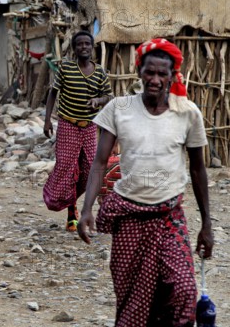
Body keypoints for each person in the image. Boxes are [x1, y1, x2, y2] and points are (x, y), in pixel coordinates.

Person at [78, 38, 214, 326]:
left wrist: (207, 225)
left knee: (183, 292)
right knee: (134, 303)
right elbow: (100, 163)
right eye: (149, 72)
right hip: (129, 217)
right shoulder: (119, 108)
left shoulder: (187, 113)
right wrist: (87, 208)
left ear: (172, 75)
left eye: (161, 74)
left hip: (169, 216)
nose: (155, 79)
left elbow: (199, 171)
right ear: (138, 70)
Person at [42, 31, 112, 231]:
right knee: (67, 167)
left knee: (90, 169)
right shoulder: (66, 68)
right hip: (67, 124)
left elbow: (108, 95)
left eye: (87, 44)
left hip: (89, 126)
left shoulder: (99, 72)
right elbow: (53, 93)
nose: (83, 47)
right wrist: (47, 121)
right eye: (79, 44)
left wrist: (98, 100)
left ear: (92, 47)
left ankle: (83, 206)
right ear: (74, 48)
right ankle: (71, 210)